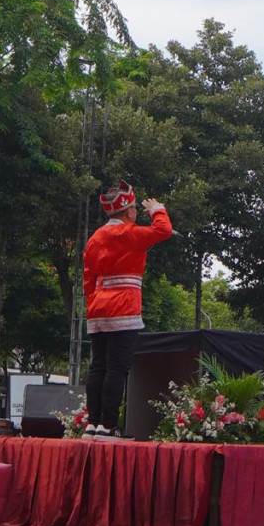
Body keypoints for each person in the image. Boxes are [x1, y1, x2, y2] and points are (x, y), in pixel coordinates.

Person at [81, 181, 173, 438]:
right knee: (116, 368)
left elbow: (88, 277)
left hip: (99, 306)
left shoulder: (95, 237)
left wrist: (93, 303)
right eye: (134, 208)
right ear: (129, 211)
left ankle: (92, 423)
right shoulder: (131, 233)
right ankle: (108, 425)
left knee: (98, 367)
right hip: (124, 306)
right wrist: (157, 209)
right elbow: (164, 230)